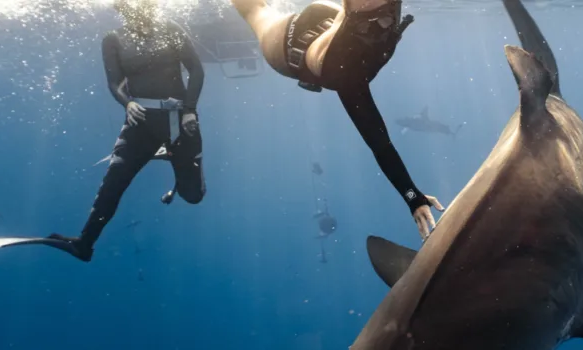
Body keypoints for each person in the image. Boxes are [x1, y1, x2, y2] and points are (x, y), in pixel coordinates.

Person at [230, 0, 444, 238]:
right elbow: (381, 145)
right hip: (299, 42)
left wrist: (412, 197)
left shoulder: (350, 73)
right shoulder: (349, 70)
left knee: (255, 9)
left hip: (294, 44)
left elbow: (380, 144)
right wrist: (412, 196)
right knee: (256, 10)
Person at [46, 0, 206, 262]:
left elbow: (196, 69)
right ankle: (85, 244)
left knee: (192, 197)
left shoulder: (171, 28)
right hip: (139, 123)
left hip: (179, 120)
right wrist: (128, 102)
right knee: (112, 182)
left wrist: (189, 109)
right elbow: (114, 82)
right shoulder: (113, 39)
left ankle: (180, 164)